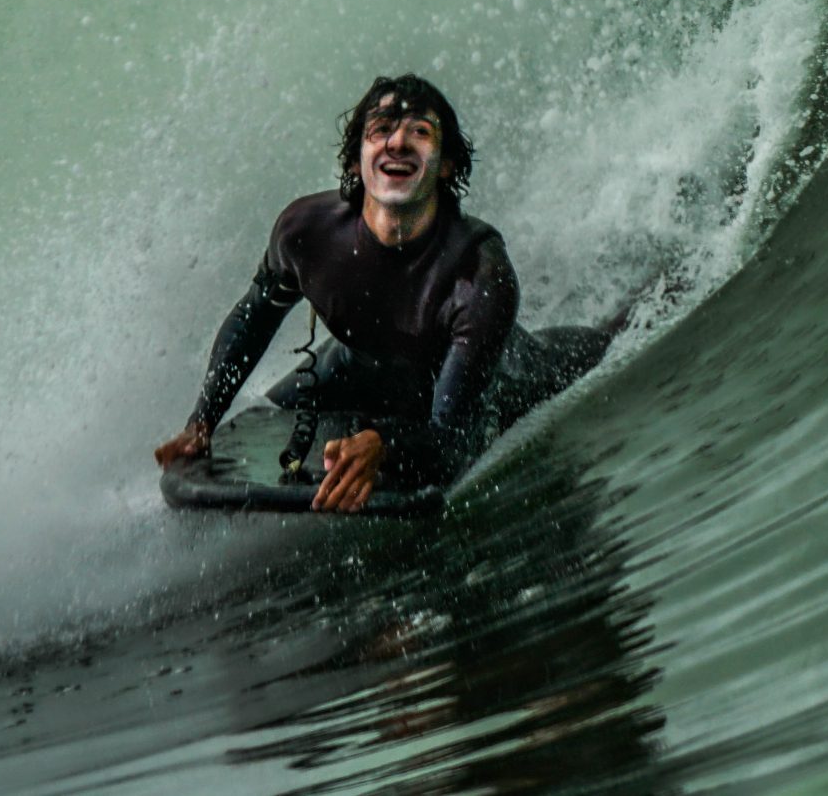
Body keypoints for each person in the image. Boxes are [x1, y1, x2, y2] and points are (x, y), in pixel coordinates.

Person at [154, 74, 619, 512]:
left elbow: (453, 436)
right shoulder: (305, 234)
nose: (397, 142)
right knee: (268, 415)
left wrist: (386, 446)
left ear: (446, 164)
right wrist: (203, 420)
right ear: (357, 157)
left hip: (494, 387)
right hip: (357, 368)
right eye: (380, 130)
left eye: (420, 132)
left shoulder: (477, 274)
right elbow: (252, 321)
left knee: (612, 334)